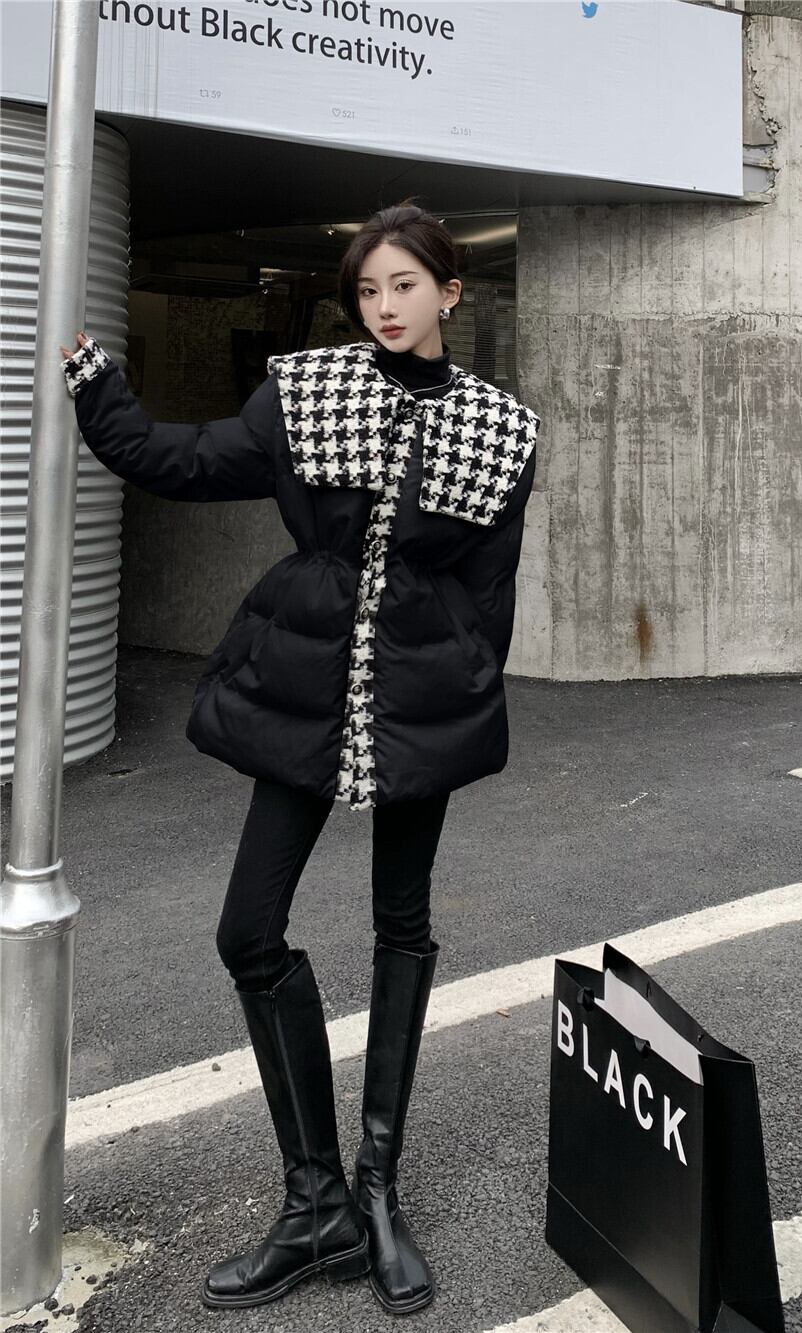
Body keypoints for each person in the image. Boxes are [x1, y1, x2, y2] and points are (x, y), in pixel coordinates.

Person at [58, 200, 539, 1316]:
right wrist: (96, 386)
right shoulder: (308, 390)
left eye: (404, 286)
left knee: (402, 924)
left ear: (448, 292)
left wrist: (466, 692)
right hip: (303, 687)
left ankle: (376, 1193)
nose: (384, 306)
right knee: (248, 929)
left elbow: (491, 590)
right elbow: (177, 460)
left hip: (425, 696)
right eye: (368, 289)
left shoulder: (500, 427)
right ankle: (315, 1200)